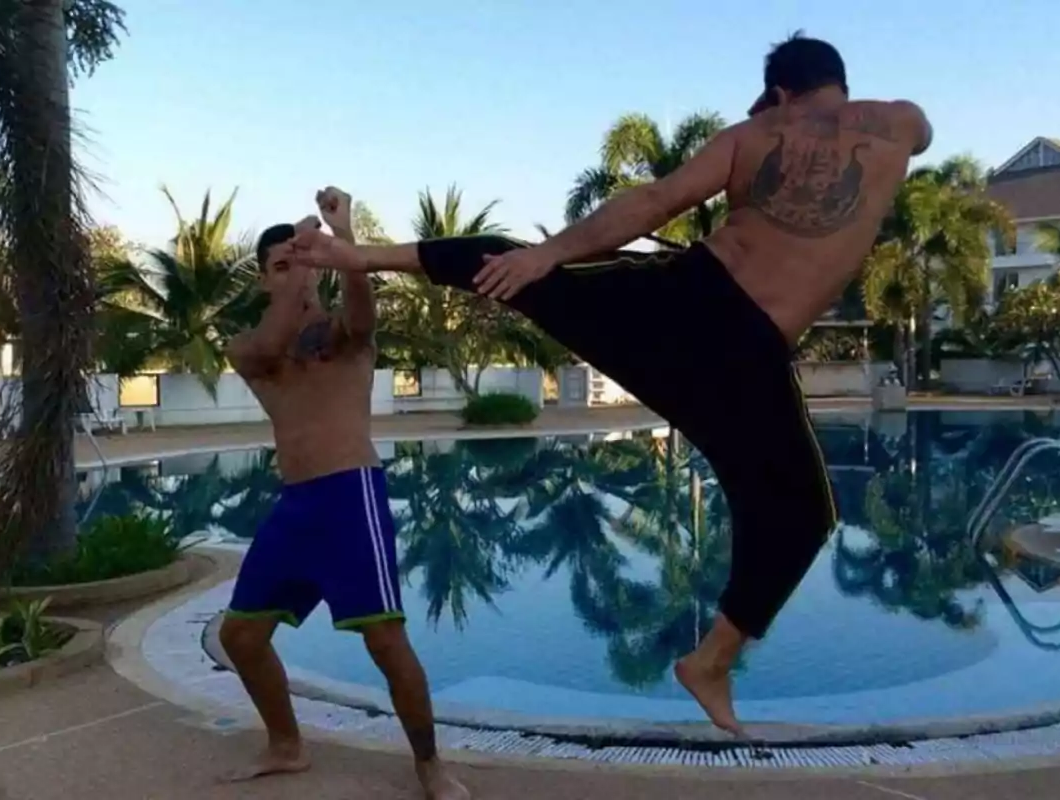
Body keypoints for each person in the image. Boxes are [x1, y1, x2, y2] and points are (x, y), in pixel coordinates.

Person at [288, 32, 932, 736]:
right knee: (803, 514)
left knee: (532, 274)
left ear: (778, 90)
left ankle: (362, 254)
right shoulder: (896, 123)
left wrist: (550, 253)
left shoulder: (752, 134)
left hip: (694, 310)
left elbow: (654, 201)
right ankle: (714, 659)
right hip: (746, 346)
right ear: (836, 79)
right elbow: (922, 133)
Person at [217, 187, 469, 799]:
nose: (299, 273)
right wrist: (297, 273)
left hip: (350, 496)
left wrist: (343, 234)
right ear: (263, 280)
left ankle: (429, 765)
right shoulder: (249, 347)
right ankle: (286, 745)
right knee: (240, 635)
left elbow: (363, 308)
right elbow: (274, 341)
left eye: (306, 262)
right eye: (282, 265)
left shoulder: (343, 336)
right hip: (295, 505)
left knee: (385, 639)